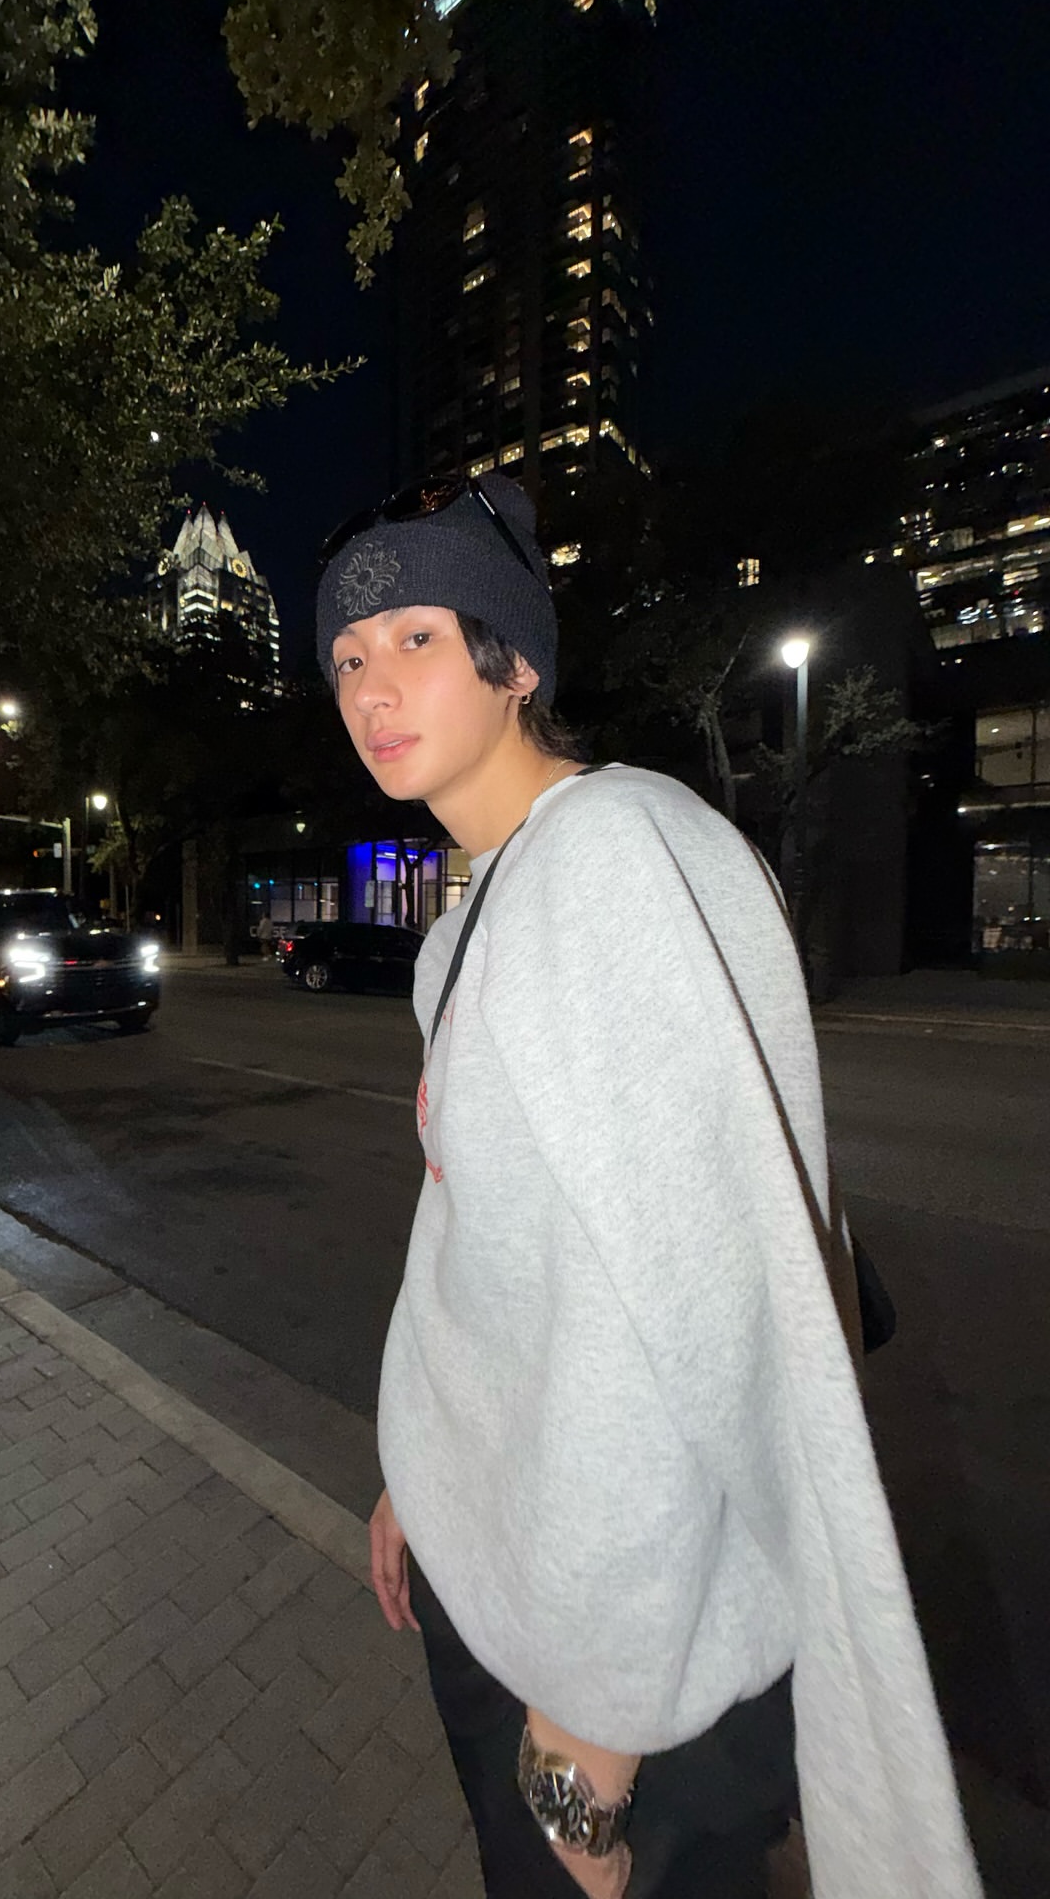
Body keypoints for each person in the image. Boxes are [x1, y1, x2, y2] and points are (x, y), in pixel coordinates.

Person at [315, 472, 982, 1899]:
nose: (373, 686)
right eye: (348, 658)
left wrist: (590, 1743)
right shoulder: (476, 916)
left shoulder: (617, 856)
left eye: (417, 637)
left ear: (515, 664)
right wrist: (425, 1476)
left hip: (627, 1680)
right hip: (512, 1594)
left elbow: (678, 1315)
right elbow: (481, 1247)